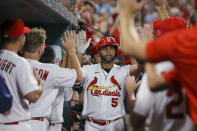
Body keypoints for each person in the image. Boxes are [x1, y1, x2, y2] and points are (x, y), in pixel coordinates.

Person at [119, 0, 197, 126]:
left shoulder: (163, 69)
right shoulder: (184, 64)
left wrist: (126, 13)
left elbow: (137, 119)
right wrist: (161, 6)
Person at [23, 28, 82, 131]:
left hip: (12, 122)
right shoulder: (50, 70)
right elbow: (79, 76)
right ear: (41, 49)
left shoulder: (13, 63)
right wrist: (72, 50)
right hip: (36, 124)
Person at [77, 36, 139, 131]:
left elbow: (137, 68)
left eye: (111, 48)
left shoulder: (122, 70)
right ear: (99, 51)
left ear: (116, 51)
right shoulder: (89, 69)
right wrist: (79, 52)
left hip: (115, 124)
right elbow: (75, 75)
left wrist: (130, 50)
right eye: (105, 48)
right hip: (91, 124)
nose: (108, 51)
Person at [0, 18, 43, 131]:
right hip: (16, 125)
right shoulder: (20, 62)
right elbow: (32, 96)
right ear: (20, 38)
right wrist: (40, 84)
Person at [40, 46, 73, 131]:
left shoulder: (36, 70)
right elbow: (68, 97)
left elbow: (68, 96)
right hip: (50, 122)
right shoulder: (60, 75)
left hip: (40, 121)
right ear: (54, 60)